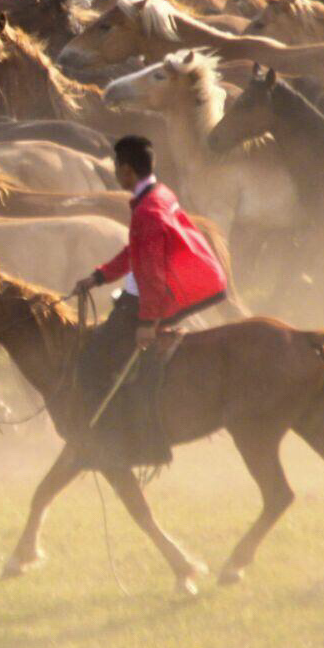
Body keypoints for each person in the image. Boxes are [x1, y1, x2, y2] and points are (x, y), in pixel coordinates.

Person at [70, 134, 228, 465]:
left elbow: (153, 273)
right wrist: (99, 277)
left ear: (126, 170)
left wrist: (147, 322)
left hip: (166, 292)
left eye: (117, 166)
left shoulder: (148, 211)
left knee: (91, 360)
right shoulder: (159, 194)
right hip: (176, 285)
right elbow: (136, 251)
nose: (115, 172)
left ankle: (119, 439)